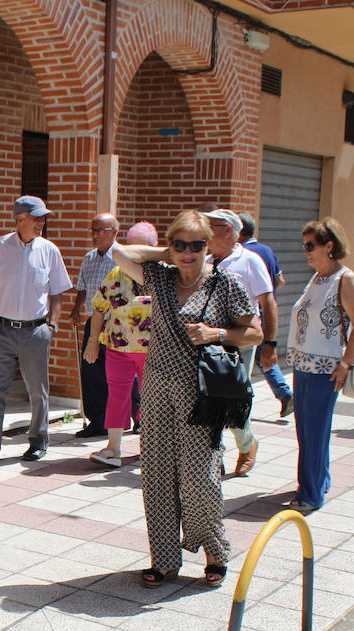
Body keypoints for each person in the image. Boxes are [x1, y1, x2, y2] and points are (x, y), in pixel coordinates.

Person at [112, 211, 261, 588]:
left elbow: (255, 332)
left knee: (200, 478)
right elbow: (117, 252)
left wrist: (217, 333)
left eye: (196, 245)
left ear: (208, 246)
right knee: (158, 475)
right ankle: (164, 560)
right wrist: (163, 252)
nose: (188, 253)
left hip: (201, 392)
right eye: (180, 245)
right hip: (158, 388)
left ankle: (215, 551)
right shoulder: (160, 277)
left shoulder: (226, 284)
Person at [0, 195, 72, 462]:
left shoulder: (49, 250)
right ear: (20, 219)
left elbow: (58, 292)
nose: (41, 223)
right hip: (1, 330)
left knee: (37, 390)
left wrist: (52, 324)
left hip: (35, 331)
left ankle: (38, 441)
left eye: (43, 218)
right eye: (36, 217)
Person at [285, 218, 354, 511]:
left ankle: (311, 495)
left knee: (315, 430)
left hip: (325, 368)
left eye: (311, 246)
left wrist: (345, 365)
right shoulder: (318, 277)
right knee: (305, 429)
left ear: (329, 246)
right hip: (303, 365)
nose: (305, 252)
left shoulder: (344, 278)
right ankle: (314, 482)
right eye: (304, 245)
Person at [204, 208, 275, 476]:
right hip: (208, 341)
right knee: (210, 400)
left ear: (228, 231)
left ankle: (247, 444)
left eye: (212, 226)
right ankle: (215, 455)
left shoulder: (250, 260)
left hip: (240, 341)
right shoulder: (206, 260)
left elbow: (268, 301)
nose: (206, 231)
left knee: (232, 401)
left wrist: (271, 343)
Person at [84, 221, 156, 467]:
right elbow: (98, 308)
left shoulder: (164, 275)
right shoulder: (115, 274)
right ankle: (113, 448)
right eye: (134, 249)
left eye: (145, 250)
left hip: (153, 350)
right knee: (117, 395)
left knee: (152, 399)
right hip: (117, 347)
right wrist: (93, 341)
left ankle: (152, 449)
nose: (138, 255)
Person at [69, 212, 137, 437]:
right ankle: (97, 420)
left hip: (119, 324)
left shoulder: (123, 257)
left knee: (124, 374)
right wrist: (76, 309)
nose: (96, 235)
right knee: (91, 372)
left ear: (115, 232)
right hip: (93, 322)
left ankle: (138, 418)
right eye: (93, 230)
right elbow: (82, 287)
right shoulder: (89, 258)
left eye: (101, 230)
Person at [239, 211, 296, 419]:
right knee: (262, 359)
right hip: (267, 312)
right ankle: (284, 393)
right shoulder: (268, 251)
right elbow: (280, 280)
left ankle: (285, 393)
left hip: (254, 317)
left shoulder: (243, 255)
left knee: (261, 359)